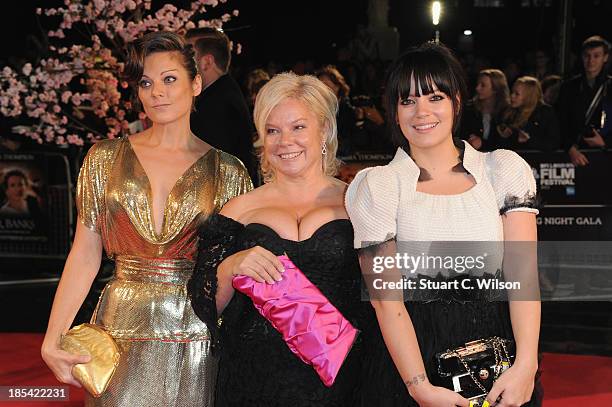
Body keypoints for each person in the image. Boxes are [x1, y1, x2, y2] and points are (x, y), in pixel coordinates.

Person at [41, 32, 252, 406]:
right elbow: (85, 253)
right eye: (146, 82)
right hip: (119, 327)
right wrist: (53, 335)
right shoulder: (103, 159)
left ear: (197, 83)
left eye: (170, 79)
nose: (158, 92)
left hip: (195, 332)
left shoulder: (228, 171)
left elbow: (233, 266)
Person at [345, 43, 541, 407]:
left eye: (434, 97)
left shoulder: (501, 171)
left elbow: (523, 275)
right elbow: (386, 302)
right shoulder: (379, 186)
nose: (421, 112)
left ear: (456, 100)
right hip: (411, 362)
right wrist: (419, 387)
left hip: (498, 360)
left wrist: (526, 365)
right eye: (407, 101)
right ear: (394, 110)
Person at [188, 72, 374, 406]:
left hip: (348, 382)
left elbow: (388, 299)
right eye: (272, 130)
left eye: (298, 127)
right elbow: (204, 307)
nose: (284, 141)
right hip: (254, 381)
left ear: (324, 132)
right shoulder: (238, 210)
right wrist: (230, 267)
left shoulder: (359, 204)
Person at [186, 28, 258, 184]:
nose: (182, 62)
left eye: (189, 55)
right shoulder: (220, 92)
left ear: (207, 62)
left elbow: (210, 170)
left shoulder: (218, 105)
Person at [557, 35, 612, 166]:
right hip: (575, 154)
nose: (590, 60)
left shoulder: (610, 87)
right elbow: (561, 120)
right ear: (582, 57)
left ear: (605, 57)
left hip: (606, 155)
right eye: (587, 55)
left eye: (596, 56)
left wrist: (605, 143)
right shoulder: (569, 87)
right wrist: (570, 148)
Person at [497, 76, 560, 151]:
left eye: (517, 94)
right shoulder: (508, 113)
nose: (512, 96)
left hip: (535, 160)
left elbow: (553, 143)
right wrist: (505, 136)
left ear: (529, 96)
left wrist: (529, 140)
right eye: (512, 92)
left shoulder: (544, 113)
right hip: (511, 160)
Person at [460, 69, 510, 151]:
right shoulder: (469, 109)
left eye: (483, 85)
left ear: (495, 89)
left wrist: (482, 143)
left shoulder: (506, 112)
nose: (477, 88)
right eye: (478, 84)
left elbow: (507, 145)